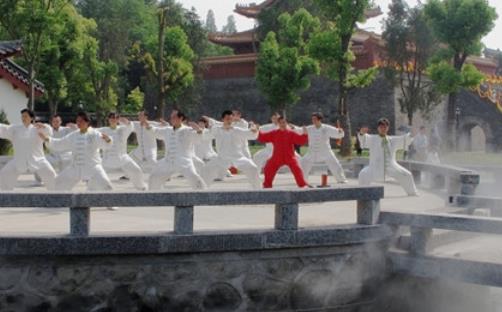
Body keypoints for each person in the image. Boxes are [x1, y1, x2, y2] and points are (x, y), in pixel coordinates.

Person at [40, 112, 114, 191]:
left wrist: (108, 140)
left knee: (106, 186)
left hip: (92, 167)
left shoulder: (94, 134)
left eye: (81, 121)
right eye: (77, 121)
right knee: (56, 185)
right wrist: (48, 139)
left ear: (87, 122)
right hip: (75, 167)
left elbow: (106, 144)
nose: (78, 123)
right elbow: (60, 143)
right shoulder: (73, 135)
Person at [357, 118, 418, 196]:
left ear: (388, 128)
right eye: (381, 127)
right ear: (378, 128)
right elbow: (363, 138)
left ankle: (413, 192)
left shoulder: (392, 140)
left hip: (391, 167)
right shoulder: (372, 139)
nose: (383, 129)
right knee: (363, 174)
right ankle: (361, 195)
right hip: (374, 167)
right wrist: (361, 133)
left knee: (407, 175)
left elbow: (404, 139)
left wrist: (412, 134)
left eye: (385, 127)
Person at [148, 110, 206, 190]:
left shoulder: (187, 130)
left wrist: (199, 131)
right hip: (168, 161)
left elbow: (197, 139)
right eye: (171, 117)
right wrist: (147, 126)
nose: (171, 119)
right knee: (154, 177)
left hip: (184, 162)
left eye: (174, 117)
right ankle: (156, 197)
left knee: (194, 178)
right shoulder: (167, 130)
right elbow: (155, 132)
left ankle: (203, 196)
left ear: (180, 118)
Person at [202, 110, 261, 189]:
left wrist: (254, 130)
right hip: (222, 158)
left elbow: (250, 135)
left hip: (238, 157)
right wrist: (200, 132)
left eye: (231, 119)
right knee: (207, 169)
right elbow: (206, 136)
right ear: (223, 119)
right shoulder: (217, 130)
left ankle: (257, 190)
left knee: (253, 168)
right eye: (227, 119)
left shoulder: (237, 130)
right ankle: (201, 191)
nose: (229, 120)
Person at [0, 109, 56, 191]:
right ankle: (5, 196)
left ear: (31, 118)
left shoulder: (38, 128)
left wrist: (44, 126)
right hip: (19, 160)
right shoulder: (15, 129)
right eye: (22, 116)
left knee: (51, 174)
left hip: (38, 159)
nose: (23, 118)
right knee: (4, 175)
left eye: (25, 116)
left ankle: (57, 195)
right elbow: (3, 129)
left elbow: (50, 132)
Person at [257, 116, 310, 188]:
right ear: (278, 124)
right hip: (277, 157)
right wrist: (257, 131)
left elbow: (300, 141)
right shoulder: (274, 133)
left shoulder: (291, 133)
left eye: (284, 122)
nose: (283, 124)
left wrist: (305, 134)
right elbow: (263, 138)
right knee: (268, 168)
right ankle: (267, 186)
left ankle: (302, 185)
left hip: (289, 157)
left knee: (297, 169)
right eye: (281, 123)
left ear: (286, 123)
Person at [98, 112, 147, 190]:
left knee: (136, 170)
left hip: (122, 157)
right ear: (108, 119)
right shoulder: (103, 130)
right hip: (107, 159)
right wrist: (77, 127)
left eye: (115, 118)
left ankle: (141, 187)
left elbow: (130, 127)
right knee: (96, 174)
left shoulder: (123, 129)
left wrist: (128, 123)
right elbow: (90, 131)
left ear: (118, 119)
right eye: (111, 117)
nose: (113, 119)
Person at [301, 112, 348, 184]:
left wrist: (340, 132)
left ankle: (341, 179)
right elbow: (300, 130)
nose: (313, 121)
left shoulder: (326, 128)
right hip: (312, 152)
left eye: (315, 119)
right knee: (304, 162)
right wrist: (293, 128)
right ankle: (303, 180)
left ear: (319, 120)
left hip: (325, 151)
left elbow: (337, 133)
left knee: (335, 164)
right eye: (312, 119)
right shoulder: (310, 128)